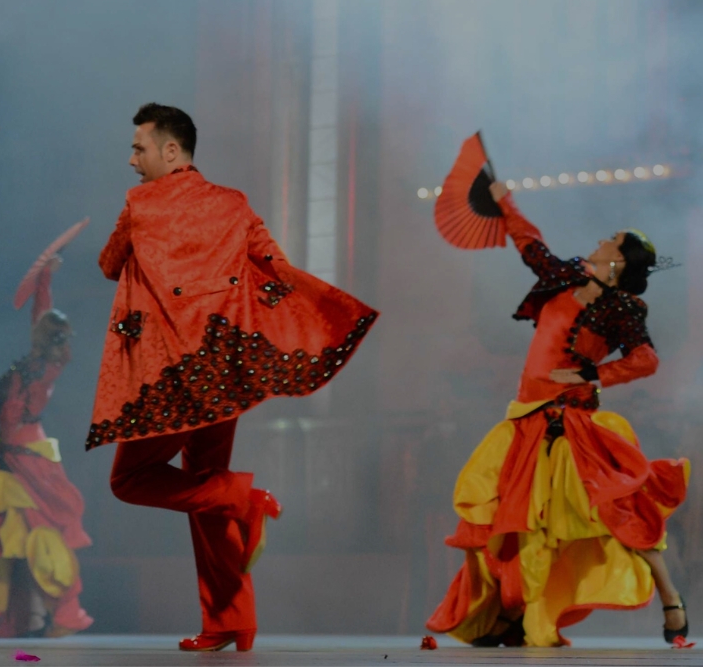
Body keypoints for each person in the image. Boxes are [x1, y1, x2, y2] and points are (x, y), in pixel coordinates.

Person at [87, 103, 378, 652]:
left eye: (139, 148)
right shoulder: (234, 203)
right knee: (204, 496)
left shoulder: (140, 202)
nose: (132, 160)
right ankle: (231, 620)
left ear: (171, 151)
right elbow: (275, 266)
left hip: (170, 373)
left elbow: (108, 264)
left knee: (130, 481)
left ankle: (245, 496)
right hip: (226, 369)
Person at [426, 182, 689, 647]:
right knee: (520, 522)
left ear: (620, 259)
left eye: (611, 238)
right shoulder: (565, 276)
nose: (601, 239)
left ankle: (670, 597)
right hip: (525, 418)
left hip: (569, 422)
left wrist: (593, 373)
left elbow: (646, 359)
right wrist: (504, 202)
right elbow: (531, 245)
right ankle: (523, 617)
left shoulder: (622, 307)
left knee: (611, 511)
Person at [0, 259, 93, 638]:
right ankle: (21, 616)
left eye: (45, 331)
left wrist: (45, 286)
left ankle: (51, 614)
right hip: (11, 458)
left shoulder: (41, 369)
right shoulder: (38, 364)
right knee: (4, 536)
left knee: (34, 534)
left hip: (27, 461)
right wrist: (45, 280)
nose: (37, 332)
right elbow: (41, 317)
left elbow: (42, 319)